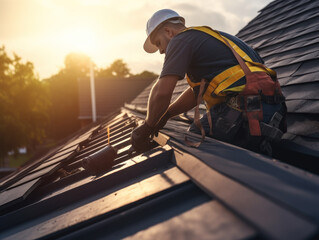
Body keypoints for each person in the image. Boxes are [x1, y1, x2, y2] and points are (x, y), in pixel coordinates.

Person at [130, 9, 286, 156]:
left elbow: (161, 92)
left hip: (245, 106)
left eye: (158, 43)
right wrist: (167, 114)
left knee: (194, 142)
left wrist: (147, 126)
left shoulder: (180, 39)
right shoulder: (213, 38)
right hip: (271, 108)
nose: (161, 51)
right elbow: (196, 94)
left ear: (168, 32)